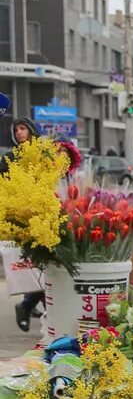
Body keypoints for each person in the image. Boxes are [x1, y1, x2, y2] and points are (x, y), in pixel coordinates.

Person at [0, 118, 48, 331]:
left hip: (46, 216)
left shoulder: (43, 155)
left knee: (46, 267)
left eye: (23, 128)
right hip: (21, 218)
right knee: (34, 266)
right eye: (16, 130)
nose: (19, 132)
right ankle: (36, 308)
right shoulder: (10, 158)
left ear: (31, 130)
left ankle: (29, 306)